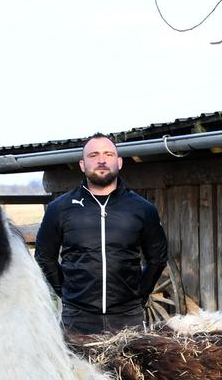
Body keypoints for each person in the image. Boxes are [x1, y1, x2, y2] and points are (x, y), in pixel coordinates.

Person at [34, 133, 171, 335]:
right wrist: (66, 293)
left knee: (130, 368)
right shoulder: (59, 208)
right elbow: (44, 256)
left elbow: (157, 258)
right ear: (82, 165)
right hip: (78, 320)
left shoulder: (142, 209)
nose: (101, 160)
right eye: (93, 155)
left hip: (128, 318)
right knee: (78, 367)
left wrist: (139, 296)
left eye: (108, 154)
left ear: (119, 162)